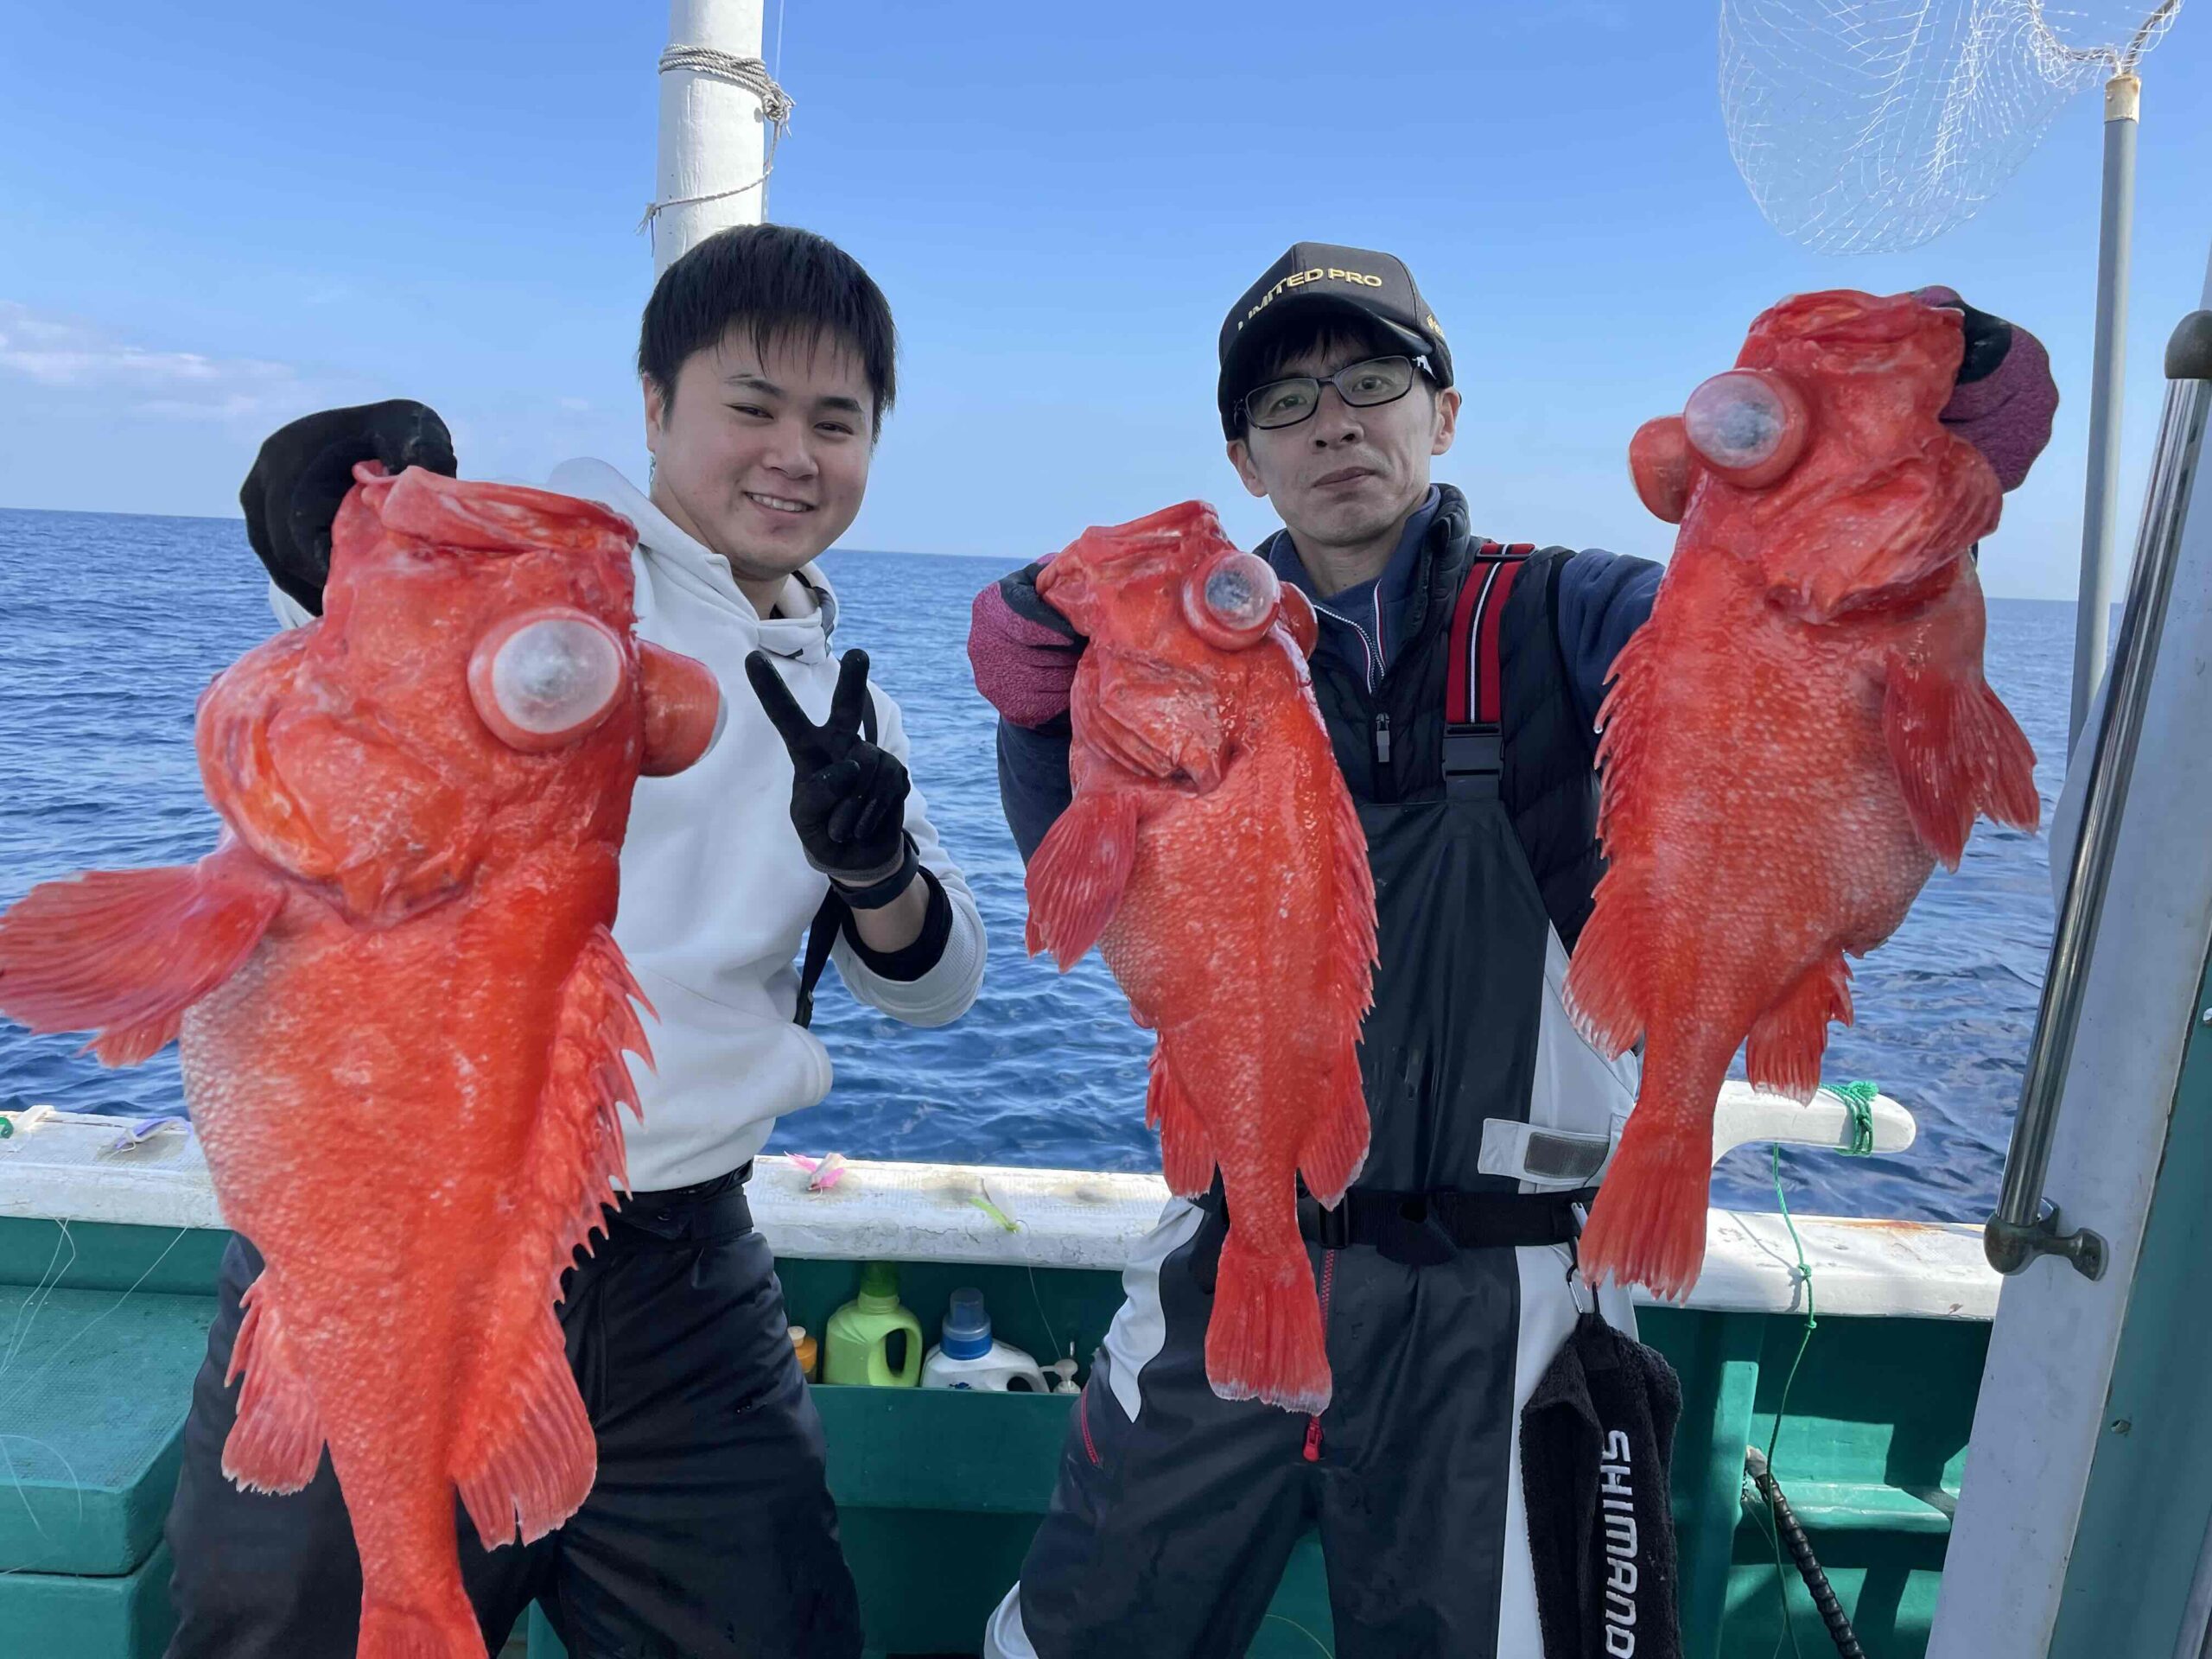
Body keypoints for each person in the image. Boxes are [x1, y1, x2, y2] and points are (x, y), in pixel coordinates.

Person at [966, 243, 2057, 1658]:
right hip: (1235, 1251)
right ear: (1243, 456)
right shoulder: (1174, 647)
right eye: (1288, 405)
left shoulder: (1566, 615)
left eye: (1373, 381)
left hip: (1518, 1292)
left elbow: (1765, 648)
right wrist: (1039, 697)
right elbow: (1083, 877)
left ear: (1446, 414)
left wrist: (1954, 405)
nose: (1337, 424)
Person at [163, 223, 988, 1659]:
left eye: (837, 423)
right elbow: (354, 642)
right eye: (752, 406)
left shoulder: (852, 695)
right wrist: (316, 527)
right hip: (393, 1241)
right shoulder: (541, 574)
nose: (794, 453)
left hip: (681, 1281)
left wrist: (874, 866)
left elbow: (935, 985)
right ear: (656, 404)